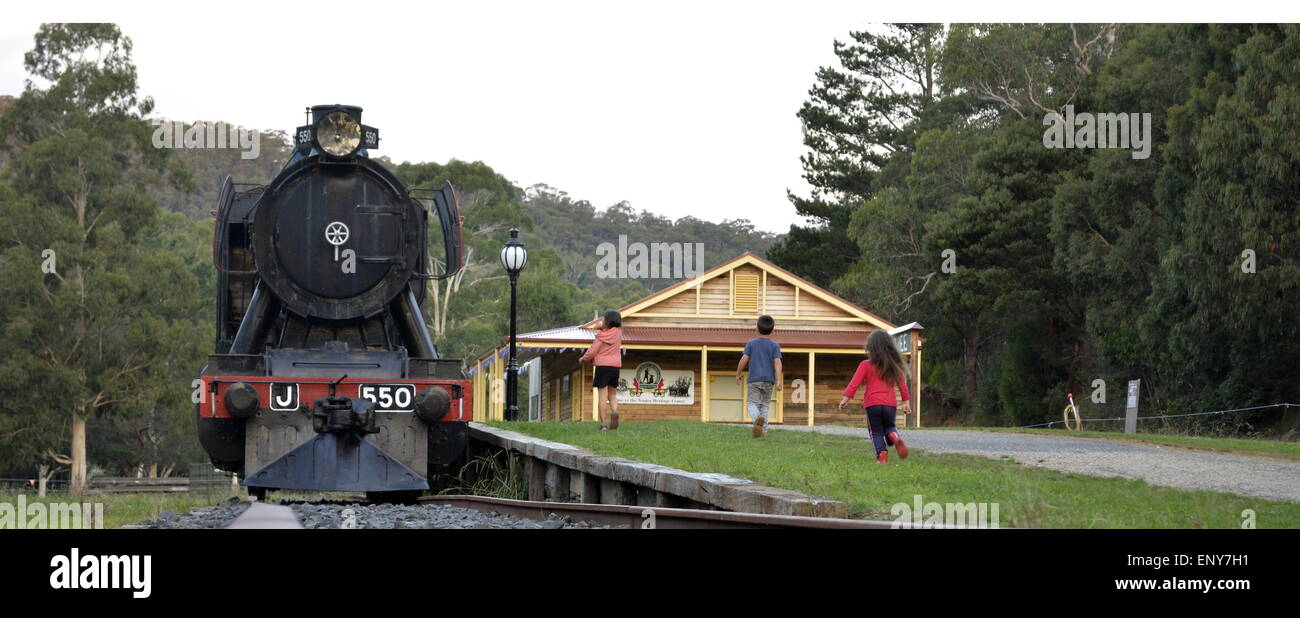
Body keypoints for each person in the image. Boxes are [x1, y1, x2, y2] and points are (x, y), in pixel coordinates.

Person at [838, 329, 911, 464]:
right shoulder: (894, 366)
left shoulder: (865, 365)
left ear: (871, 347)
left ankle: (881, 456)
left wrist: (845, 399)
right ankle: (894, 436)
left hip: (872, 404)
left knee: (876, 432)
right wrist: (906, 402)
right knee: (889, 427)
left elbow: (854, 383)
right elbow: (903, 385)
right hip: (890, 404)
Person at [736, 315, 782, 438]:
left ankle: (757, 420)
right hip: (769, 380)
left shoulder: (751, 344)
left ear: (756, 329)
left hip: (754, 380)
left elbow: (744, 359)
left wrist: (738, 373)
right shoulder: (775, 346)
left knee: (751, 403)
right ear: (773, 330)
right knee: (765, 406)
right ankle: (763, 432)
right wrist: (779, 380)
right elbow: (777, 362)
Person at [580, 310, 623, 430]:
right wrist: (601, 327)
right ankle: (614, 411)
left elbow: (593, 351)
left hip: (603, 366)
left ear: (607, 321)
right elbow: (610, 329)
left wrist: (583, 358)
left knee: (602, 397)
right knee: (613, 394)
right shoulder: (618, 333)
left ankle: (603, 425)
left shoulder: (601, 336)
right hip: (615, 367)